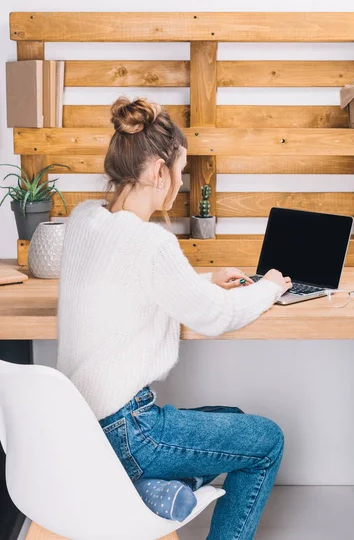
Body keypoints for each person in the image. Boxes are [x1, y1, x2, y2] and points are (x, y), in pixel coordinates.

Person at [56, 96, 292, 539]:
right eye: (180, 171)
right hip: (129, 431)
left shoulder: (84, 219)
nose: (180, 183)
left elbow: (129, 283)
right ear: (158, 172)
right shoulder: (151, 244)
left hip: (83, 429)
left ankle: (155, 488)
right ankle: (146, 483)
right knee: (265, 441)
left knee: (232, 417)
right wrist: (269, 287)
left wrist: (203, 279)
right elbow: (216, 317)